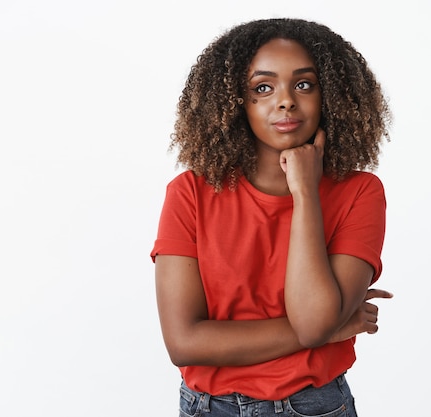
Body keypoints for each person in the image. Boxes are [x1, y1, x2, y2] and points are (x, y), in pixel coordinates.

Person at [150, 18, 393, 417]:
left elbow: (313, 322)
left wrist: (304, 192)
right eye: (263, 88)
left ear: (329, 94)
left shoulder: (360, 192)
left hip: (315, 407)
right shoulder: (189, 193)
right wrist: (332, 327)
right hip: (208, 408)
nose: (285, 101)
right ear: (234, 102)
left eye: (303, 84)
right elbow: (184, 343)